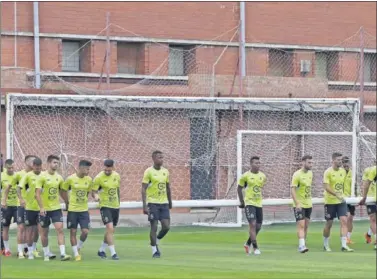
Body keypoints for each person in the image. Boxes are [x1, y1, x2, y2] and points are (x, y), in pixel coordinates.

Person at [35, 155, 71, 261]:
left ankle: (63, 254)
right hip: (44, 209)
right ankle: (47, 253)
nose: (56, 165)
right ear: (49, 163)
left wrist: (66, 202)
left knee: (60, 229)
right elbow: (37, 194)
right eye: (54, 162)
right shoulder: (41, 177)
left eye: (57, 163)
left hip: (56, 208)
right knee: (44, 232)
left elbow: (61, 191)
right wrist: (41, 208)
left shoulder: (59, 177)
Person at [61, 160, 93, 261]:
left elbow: (87, 192)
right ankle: (76, 254)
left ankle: (79, 246)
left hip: (84, 210)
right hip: (73, 210)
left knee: (85, 231)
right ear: (80, 168)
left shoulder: (89, 179)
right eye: (87, 168)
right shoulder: (70, 179)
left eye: (89, 169)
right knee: (73, 231)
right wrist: (67, 202)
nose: (88, 170)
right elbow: (63, 190)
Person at [142, 151, 172, 258]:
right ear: (153, 158)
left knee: (166, 226)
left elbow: (168, 187)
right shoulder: (148, 172)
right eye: (159, 157)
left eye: (162, 157)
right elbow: (143, 189)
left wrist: (170, 201)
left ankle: (156, 241)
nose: (161, 159)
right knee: (154, 227)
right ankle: (155, 250)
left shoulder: (165, 171)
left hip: (163, 203)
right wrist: (144, 205)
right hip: (152, 203)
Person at [322, 152, 353, 252]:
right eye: (338, 160)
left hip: (341, 201)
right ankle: (326, 244)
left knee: (344, 220)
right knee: (329, 223)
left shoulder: (343, 171)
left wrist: (343, 195)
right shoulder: (328, 172)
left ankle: (344, 245)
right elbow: (326, 187)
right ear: (333, 160)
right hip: (330, 202)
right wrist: (336, 194)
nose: (340, 162)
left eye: (341, 160)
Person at [238, 156, 266, 256]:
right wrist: (242, 202)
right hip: (249, 203)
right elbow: (239, 188)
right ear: (251, 164)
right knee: (253, 224)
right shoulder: (245, 176)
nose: (258, 165)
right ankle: (255, 247)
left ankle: (247, 243)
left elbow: (260, 188)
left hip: (258, 203)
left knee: (258, 226)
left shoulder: (263, 176)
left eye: (259, 163)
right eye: (255, 163)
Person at [93, 159, 121, 260]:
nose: (107, 171)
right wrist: (96, 196)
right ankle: (113, 253)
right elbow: (94, 191)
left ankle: (101, 250)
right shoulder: (99, 178)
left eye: (109, 170)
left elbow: (117, 190)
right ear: (104, 166)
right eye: (106, 169)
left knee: (111, 230)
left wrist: (119, 203)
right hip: (105, 206)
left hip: (115, 206)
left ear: (112, 167)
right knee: (109, 228)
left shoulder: (117, 176)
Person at [18, 157, 44, 259]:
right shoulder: (27, 176)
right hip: (29, 207)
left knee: (39, 230)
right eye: (36, 167)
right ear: (33, 166)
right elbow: (18, 188)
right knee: (30, 230)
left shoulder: (44, 175)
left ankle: (33, 249)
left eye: (39, 167)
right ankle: (29, 251)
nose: (38, 168)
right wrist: (21, 199)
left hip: (41, 208)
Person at [15, 155, 38, 258]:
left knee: (33, 229)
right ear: (27, 162)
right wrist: (20, 199)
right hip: (22, 205)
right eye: (33, 162)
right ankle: (20, 251)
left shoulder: (37, 174)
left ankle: (30, 249)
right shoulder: (19, 174)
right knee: (21, 227)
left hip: (33, 206)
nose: (35, 164)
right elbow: (12, 187)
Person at [291, 155, 313, 253]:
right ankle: (301, 246)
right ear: (303, 162)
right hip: (299, 205)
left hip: (308, 204)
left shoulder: (310, 174)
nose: (311, 164)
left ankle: (303, 243)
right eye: (309, 162)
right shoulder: (297, 175)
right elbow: (293, 190)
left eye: (311, 162)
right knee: (301, 225)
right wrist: (297, 203)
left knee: (306, 225)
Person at [1, 159, 19, 256]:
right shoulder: (2, 176)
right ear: (5, 167)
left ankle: (21, 249)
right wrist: (2, 201)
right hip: (6, 206)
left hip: (17, 205)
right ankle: (7, 249)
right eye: (9, 168)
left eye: (12, 167)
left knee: (20, 226)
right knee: (5, 228)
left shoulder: (17, 176)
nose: (11, 169)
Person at [359, 163, 377, 250]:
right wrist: (364, 196)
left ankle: (368, 234)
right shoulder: (370, 170)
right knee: (373, 219)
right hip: (371, 197)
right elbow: (365, 183)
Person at [341, 156, 355, 244]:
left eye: (347, 162)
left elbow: (356, 185)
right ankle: (344, 237)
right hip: (343, 199)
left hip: (352, 198)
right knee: (346, 217)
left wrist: (357, 197)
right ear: (342, 163)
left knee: (351, 219)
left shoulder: (352, 173)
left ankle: (348, 238)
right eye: (344, 162)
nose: (345, 164)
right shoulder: (340, 173)